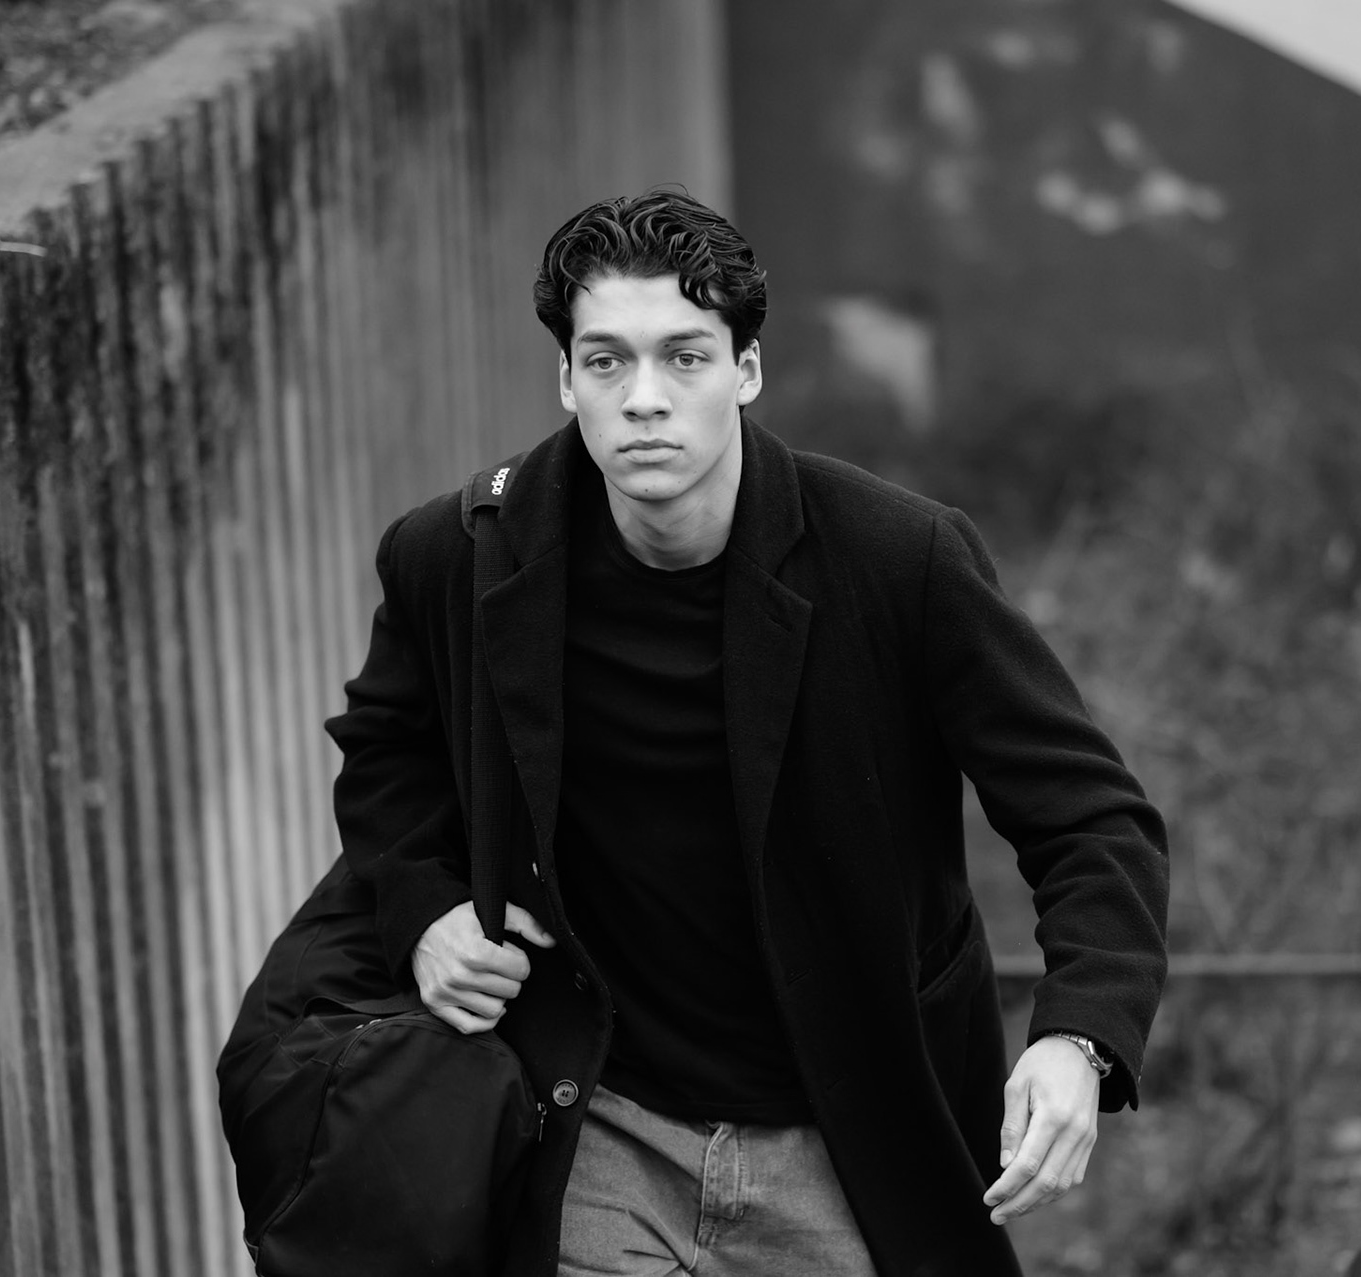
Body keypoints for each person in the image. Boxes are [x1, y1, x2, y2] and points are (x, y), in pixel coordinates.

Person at [325, 190, 1169, 1276]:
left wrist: (1078, 1035)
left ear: (746, 370)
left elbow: (1091, 818)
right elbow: (388, 749)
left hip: (847, 1143)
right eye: (607, 361)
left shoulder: (898, 560)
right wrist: (425, 907)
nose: (643, 399)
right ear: (567, 378)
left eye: (685, 357)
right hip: (596, 1130)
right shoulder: (459, 557)